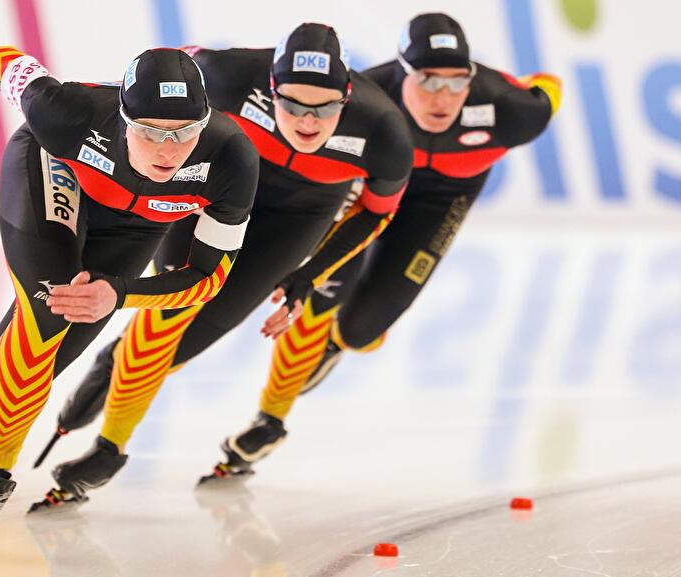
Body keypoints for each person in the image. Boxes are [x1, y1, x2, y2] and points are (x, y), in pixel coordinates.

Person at [0, 44, 259, 553]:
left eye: (184, 133)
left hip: (133, 229)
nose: (168, 150)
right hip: (51, 175)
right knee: (49, 315)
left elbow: (207, 278)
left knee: (34, 369)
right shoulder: (70, 114)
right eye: (150, 131)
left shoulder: (231, 157)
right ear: (124, 120)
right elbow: (3, 63)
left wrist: (120, 294)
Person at [29, 23, 413, 510]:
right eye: (292, 105)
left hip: (299, 217)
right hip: (217, 194)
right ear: (269, 88)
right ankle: (109, 442)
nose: (308, 122)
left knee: (183, 342)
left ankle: (106, 422)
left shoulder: (385, 131)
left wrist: (308, 274)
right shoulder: (225, 72)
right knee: (164, 315)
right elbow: (143, 94)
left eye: (325, 109)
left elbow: (377, 213)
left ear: (348, 98)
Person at [203, 12, 563, 482]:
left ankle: (337, 340)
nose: (443, 98)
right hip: (371, 186)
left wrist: (513, 82)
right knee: (325, 281)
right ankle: (271, 421)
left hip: (442, 198)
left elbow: (548, 87)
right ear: (401, 72)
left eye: (457, 82)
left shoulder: (512, 110)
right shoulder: (365, 103)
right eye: (428, 80)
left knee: (361, 329)